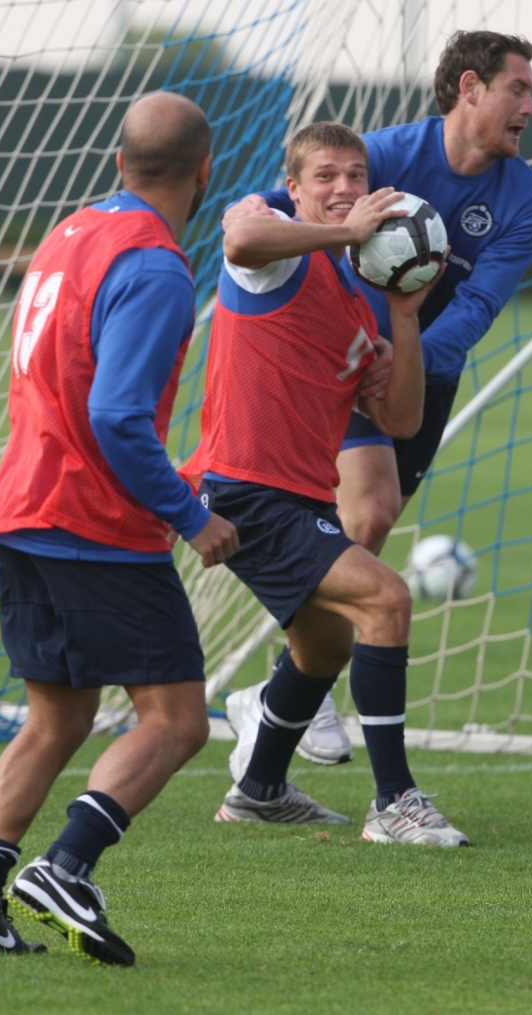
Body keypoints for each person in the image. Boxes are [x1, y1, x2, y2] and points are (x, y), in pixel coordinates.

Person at [0, 92, 238, 966]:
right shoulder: (155, 264)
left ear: (116, 161)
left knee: (55, 720)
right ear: (205, 172)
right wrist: (190, 515)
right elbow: (114, 415)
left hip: (22, 509)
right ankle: (67, 866)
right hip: (94, 523)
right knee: (178, 721)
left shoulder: (66, 235)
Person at [223, 29, 532, 764]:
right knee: (365, 512)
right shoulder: (385, 154)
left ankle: (274, 703)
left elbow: (476, 309)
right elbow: (280, 209)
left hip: (414, 373)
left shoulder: (526, 201)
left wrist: (400, 360)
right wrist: (243, 214)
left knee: (369, 527)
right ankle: (338, 741)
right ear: (468, 89)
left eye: (530, 91)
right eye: (518, 89)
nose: (529, 104)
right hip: (337, 356)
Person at [181, 120, 467, 848]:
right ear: (295, 187)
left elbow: (399, 420)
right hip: (247, 489)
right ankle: (394, 801)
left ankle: (259, 789)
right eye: (326, 178)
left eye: (355, 178)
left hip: (298, 496)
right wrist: (344, 234)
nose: (344, 190)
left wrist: (401, 318)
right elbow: (241, 242)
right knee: (387, 597)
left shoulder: (358, 293)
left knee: (324, 645)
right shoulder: (272, 250)